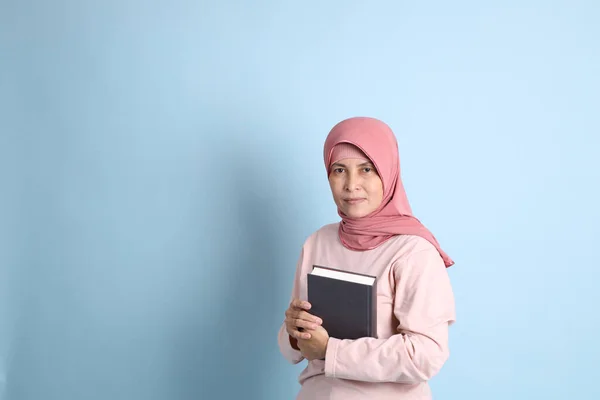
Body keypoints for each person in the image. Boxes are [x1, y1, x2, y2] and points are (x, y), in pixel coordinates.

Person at [277, 117, 456, 399]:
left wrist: (330, 350)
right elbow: (294, 350)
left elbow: (426, 355)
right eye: (339, 170)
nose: (351, 184)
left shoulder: (413, 252)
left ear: (388, 172)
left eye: (366, 169)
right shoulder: (318, 242)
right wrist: (293, 330)